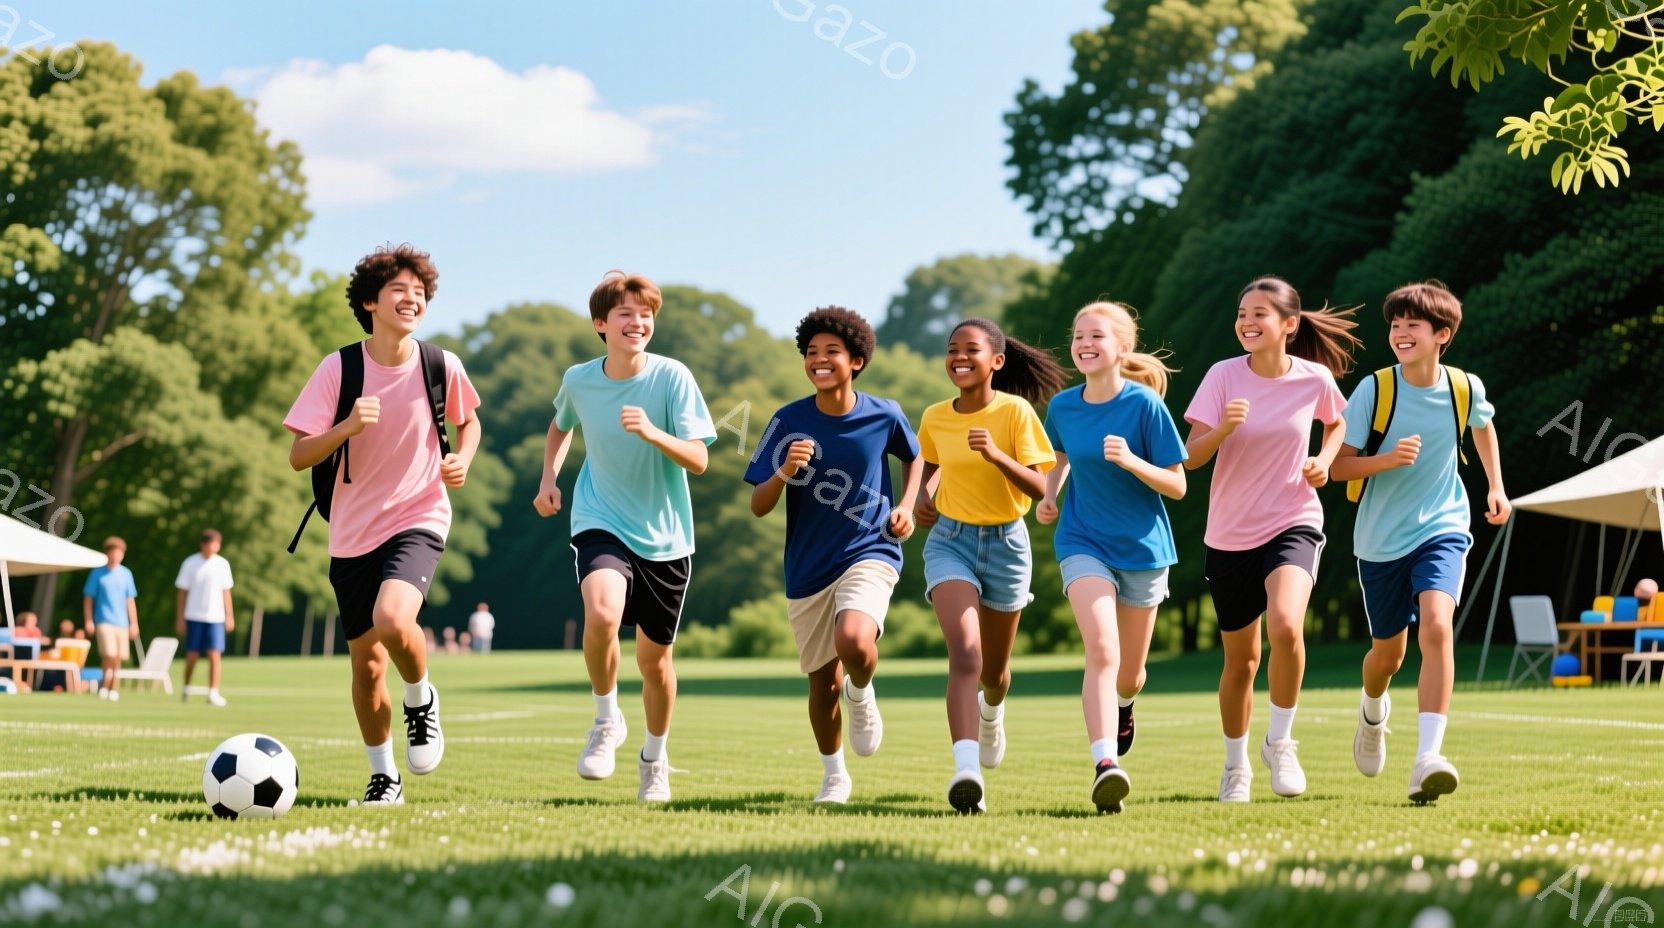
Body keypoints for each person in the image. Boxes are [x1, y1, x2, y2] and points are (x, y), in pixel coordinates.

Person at [284, 243, 482, 806]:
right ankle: (383, 777)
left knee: (394, 618)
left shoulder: (440, 364)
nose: (412, 300)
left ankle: (421, 698)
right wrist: (345, 427)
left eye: (420, 294)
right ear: (370, 302)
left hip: (419, 516)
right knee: (367, 667)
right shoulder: (339, 368)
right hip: (351, 533)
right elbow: (300, 455)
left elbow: (468, 425)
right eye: (399, 290)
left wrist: (462, 460)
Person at [534, 270, 716, 802]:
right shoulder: (579, 379)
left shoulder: (672, 377)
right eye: (625, 314)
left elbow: (701, 459)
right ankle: (606, 717)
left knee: (655, 662)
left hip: (665, 535)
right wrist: (549, 478)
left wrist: (654, 432)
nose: (638, 322)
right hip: (600, 517)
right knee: (602, 614)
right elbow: (560, 426)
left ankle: (654, 760)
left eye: (646, 315)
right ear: (601, 325)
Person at [1329, 281, 1509, 804]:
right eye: (1395, 324)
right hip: (1381, 539)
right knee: (1387, 655)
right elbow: (1339, 466)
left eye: (1412, 325)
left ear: (1442, 335)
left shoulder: (1464, 387)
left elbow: (1484, 426)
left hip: (1443, 526)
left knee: (1437, 626)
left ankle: (1428, 757)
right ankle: (1372, 709)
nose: (1400, 333)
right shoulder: (1374, 390)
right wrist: (1387, 460)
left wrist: (1496, 486)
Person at [1182, 275, 1358, 803]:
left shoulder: (1314, 378)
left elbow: (1339, 422)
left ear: (1289, 324)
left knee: (1286, 624)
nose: (1246, 322)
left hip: (1293, 518)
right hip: (1230, 534)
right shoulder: (1221, 377)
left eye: (1259, 313)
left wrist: (1324, 463)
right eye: (1241, 313)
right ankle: (1236, 767)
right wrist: (1222, 430)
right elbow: (1191, 457)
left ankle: (1280, 741)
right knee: (1242, 662)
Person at [745, 306, 923, 804]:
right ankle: (834, 775)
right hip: (807, 567)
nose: (819, 361)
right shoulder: (786, 420)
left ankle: (862, 692)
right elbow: (758, 505)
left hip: (871, 549)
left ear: (857, 360)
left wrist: (906, 506)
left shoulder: (884, 413)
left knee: (855, 639)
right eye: (811, 353)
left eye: (831, 353)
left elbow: (918, 457)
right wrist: (782, 470)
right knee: (822, 686)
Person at [1036, 302, 1185, 813]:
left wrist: (1133, 461)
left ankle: (1124, 706)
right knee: (1101, 649)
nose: (1083, 343)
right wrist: (1051, 494)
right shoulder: (1062, 407)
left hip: (1143, 549)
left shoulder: (1145, 406)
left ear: (1123, 347)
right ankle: (1105, 764)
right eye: (1078, 335)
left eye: (1096, 335)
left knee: (1130, 673)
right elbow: (1059, 456)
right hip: (1082, 540)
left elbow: (1179, 484)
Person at [915, 317, 1065, 814]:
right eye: (952, 348)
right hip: (950, 541)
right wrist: (922, 498)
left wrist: (998, 456)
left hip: (1007, 545)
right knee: (965, 656)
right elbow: (930, 467)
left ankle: (992, 712)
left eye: (971, 348)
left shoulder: (1015, 412)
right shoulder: (936, 416)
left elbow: (1043, 488)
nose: (959, 356)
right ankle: (966, 772)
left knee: (995, 674)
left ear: (996, 361)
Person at [176, 528, 235, 706]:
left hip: (216, 617)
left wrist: (229, 616)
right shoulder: (190, 563)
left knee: (214, 655)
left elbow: (226, 592)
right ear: (203, 544)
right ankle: (186, 687)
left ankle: (213, 692)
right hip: (194, 616)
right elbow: (182, 592)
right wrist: (180, 617)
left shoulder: (222, 564)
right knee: (192, 655)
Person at [83, 536, 139, 702]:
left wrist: (133, 623)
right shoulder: (97, 573)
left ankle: (113, 687)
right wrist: (88, 620)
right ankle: (105, 685)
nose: (115, 556)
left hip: (122, 623)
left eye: (119, 553)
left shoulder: (126, 574)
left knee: (118, 657)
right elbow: (88, 598)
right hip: (103, 620)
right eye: (112, 552)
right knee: (109, 653)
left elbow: (130, 601)